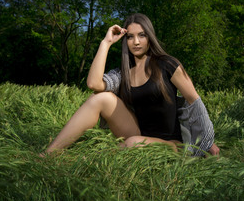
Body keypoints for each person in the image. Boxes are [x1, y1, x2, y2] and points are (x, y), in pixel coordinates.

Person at [42, 13, 219, 156]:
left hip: (171, 143)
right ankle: (49, 154)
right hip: (138, 134)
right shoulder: (123, 73)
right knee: (101, 97)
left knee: (133, 143)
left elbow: (194, 101)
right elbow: (93, 83)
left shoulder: (168, 64)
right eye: (131, 37)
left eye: (142, 35)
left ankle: (94, 158)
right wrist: (106, 43)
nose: (136, 42)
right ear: (125, 41)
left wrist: (206, 142)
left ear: (149, 37)